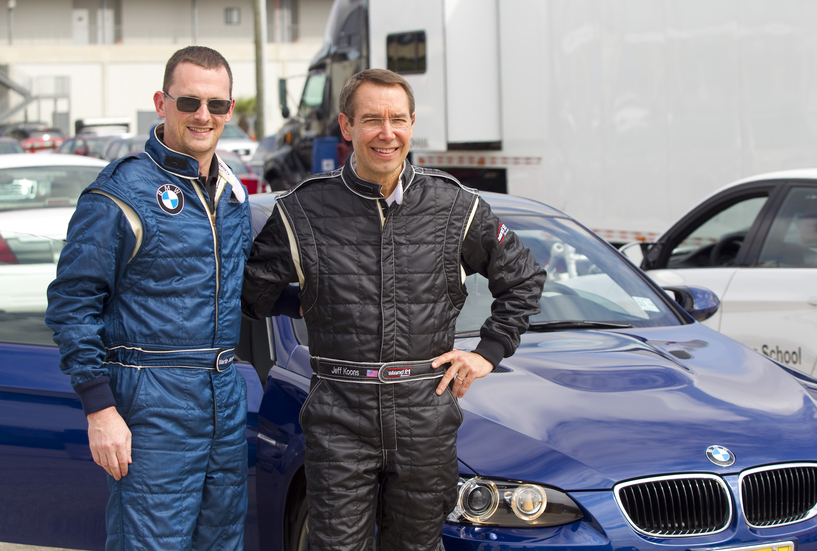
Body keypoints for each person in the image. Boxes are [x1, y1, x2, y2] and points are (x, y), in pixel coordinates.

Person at [242, 68, 546, 551]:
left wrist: (487, 353)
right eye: (372, 120)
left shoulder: (455, 207)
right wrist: (304, 301)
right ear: (347, 126)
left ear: (411, 124)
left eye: (397, 119)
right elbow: (250, 293)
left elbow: (524, 278)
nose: (387, 133)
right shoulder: (302, 211)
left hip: (424, 415)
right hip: (339, 417)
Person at [46, 46, 251, 550]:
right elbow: (72, 304)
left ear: (229, 109)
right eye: (189, 102)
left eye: (216, 105)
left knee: (221, 543)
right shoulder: (121, 193)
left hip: (224, 399)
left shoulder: (231, 193)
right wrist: (100, 409)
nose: (203, 116)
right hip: (151, 405)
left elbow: (250, 289)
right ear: (162, 103)